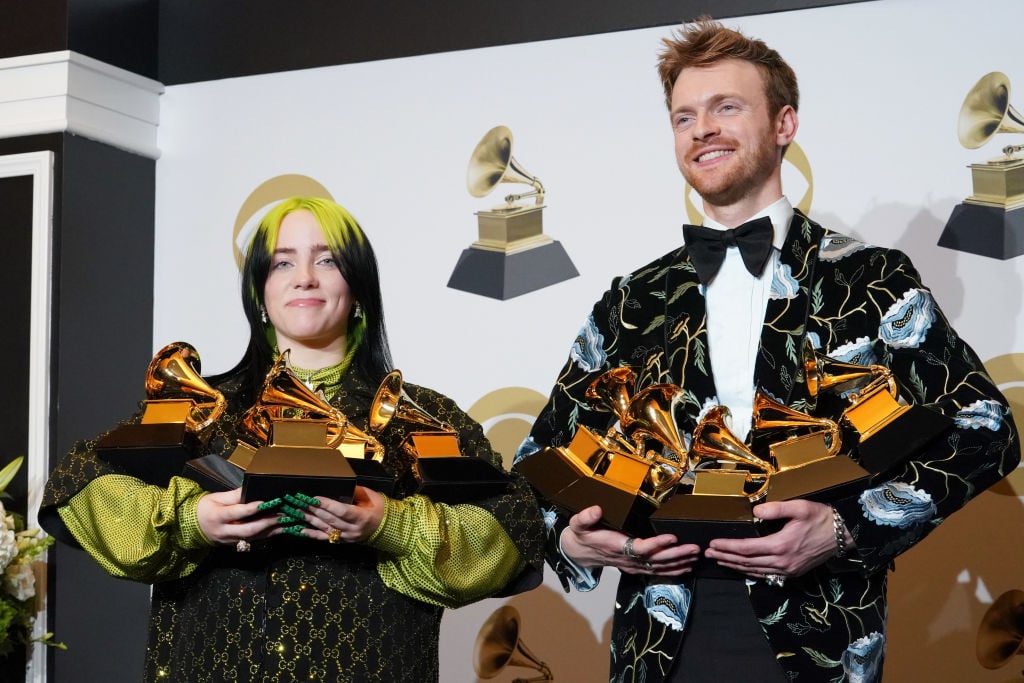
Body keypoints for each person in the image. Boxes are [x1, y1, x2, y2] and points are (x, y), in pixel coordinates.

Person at [515, 18, 1020, 683]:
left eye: (727, 107)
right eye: (684, 116)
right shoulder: (631, 300)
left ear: (785, 124)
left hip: (817, 627)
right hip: (658, 634)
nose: (703, 129)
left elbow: (986, 427)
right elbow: (537, 461)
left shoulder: (869, 278)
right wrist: (575, 536)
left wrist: (846, 529)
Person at [39, 196, 545, 682]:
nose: (304, 277)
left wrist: (388, 524)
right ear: (259, 292)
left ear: (360, 288)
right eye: (282, 263)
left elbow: (509, 527)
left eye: (327, 260)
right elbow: (81, 484)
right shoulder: (199, 408)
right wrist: (193, 520)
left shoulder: (424, 417)